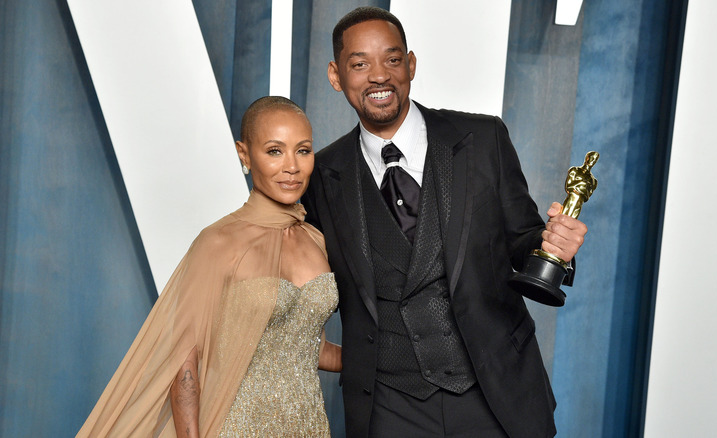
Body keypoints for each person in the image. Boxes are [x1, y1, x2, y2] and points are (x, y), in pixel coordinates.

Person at [301, 7, 588, 438]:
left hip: (495, 393)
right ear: (336, 75)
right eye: (360, 64)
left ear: (411, 65)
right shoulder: (321, 174)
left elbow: (524, 239)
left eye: (392, 60)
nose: (378, 76)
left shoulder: (483, 139)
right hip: (388, 408)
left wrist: (555, 247)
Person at [77, 96, 341, 437]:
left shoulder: (315, 240)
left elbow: (310, 348)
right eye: (275, 151)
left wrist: (394, 359)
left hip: (308, 426)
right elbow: (184, 362)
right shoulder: (217, 242)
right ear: (245, 155)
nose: (292, 166)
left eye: (302, 151)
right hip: (235, 426)